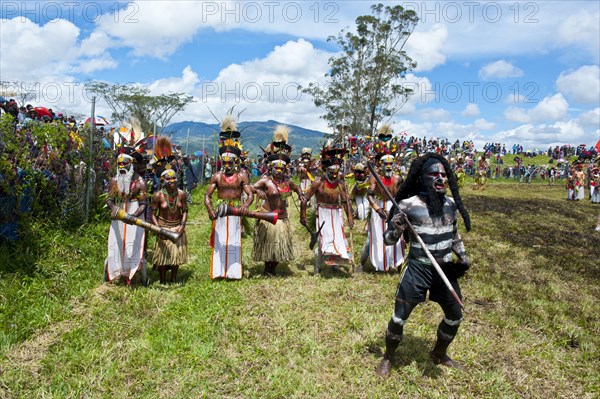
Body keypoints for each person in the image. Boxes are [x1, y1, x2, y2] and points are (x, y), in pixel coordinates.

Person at [375, 153, 472, 378]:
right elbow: (388, 240)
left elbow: (454, 235)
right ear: (422, 178)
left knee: (455, 316)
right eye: (434, 175)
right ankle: (388, 357)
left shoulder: (450, 205)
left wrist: (463, 255)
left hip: (445, 269)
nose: (440, 179)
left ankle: (439, 353)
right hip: (418, 268)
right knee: (400, 316)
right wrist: (396, 227)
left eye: (443, 175)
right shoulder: (407, 206)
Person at [204, 116, 254, 280]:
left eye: (230, 162)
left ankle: (233, 272)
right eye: (224, 162)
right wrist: (210, 210)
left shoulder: (241, 177)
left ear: (236, 161)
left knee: (234, 239)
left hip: (236, 210)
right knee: (219, 241)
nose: (227, 165)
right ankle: (218, 271)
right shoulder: (217, 176)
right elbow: (207, 195)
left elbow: (250, 194)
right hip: (219, 210)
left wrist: (245, 205)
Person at [252, 125, 304, 276]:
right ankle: (267, 269)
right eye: (276, 168)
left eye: (282, 169)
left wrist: (300, 194)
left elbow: (296, 188)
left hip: (283, 219)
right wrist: (259, 191)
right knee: (269, 245)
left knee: (280, 246)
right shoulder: (266, 181)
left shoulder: (288, 182)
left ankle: (272, 268)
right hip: (268, 217)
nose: (279, 171)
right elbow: (250, 187)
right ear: (271, 168)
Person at [301, 143, 354, 274]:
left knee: (338, 239)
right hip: (322, 213)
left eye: (336, 172)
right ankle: (317, 267)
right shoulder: (319, 182)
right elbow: (305, 198)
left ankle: (334, 264)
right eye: (331, 172)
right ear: (326, 170)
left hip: (337, 213)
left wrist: (350, 217)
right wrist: (302, 216)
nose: (334, 175)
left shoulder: (341, 184)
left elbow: (347, 201)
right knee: (323, 239)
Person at [104, 153, 148, 285]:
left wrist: (133, 216)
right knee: (116, 243)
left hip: (135, 215)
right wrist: (114, 209)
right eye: (119, 164)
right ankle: (116, 270)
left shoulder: (140, 181)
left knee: (132, 244)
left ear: (131, 165)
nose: (122, 166)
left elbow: (144, 204)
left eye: (125, 164)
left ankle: (131, 271)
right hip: (118, 215)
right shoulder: (114, 181)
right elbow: (109, 199)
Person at [360, 148, 405, 272]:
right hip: (380, 209)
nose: (389, 167)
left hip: (395, 208)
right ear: (381, 165)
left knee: (397, 236)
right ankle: (363, 264)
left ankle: (396, 264)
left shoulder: (398, 179)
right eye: (386, 164)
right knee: (375, 238)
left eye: (391, 164)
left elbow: (404, 193)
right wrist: (377, 208)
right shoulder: (375, 178)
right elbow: (370, 195)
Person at [150, 168, 188, 284]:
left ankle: (173, 278)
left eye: (174, 178)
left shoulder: (181, 194)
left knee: (176, 256)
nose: (172, 180)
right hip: (163, 228)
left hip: (177, 228)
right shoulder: (158, 196)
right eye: (168, 179)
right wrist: (159, 229)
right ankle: (162, 280)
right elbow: (152, 214)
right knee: (163, 257)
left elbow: (185, 211)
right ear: (163, 181)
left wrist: (182, 226)